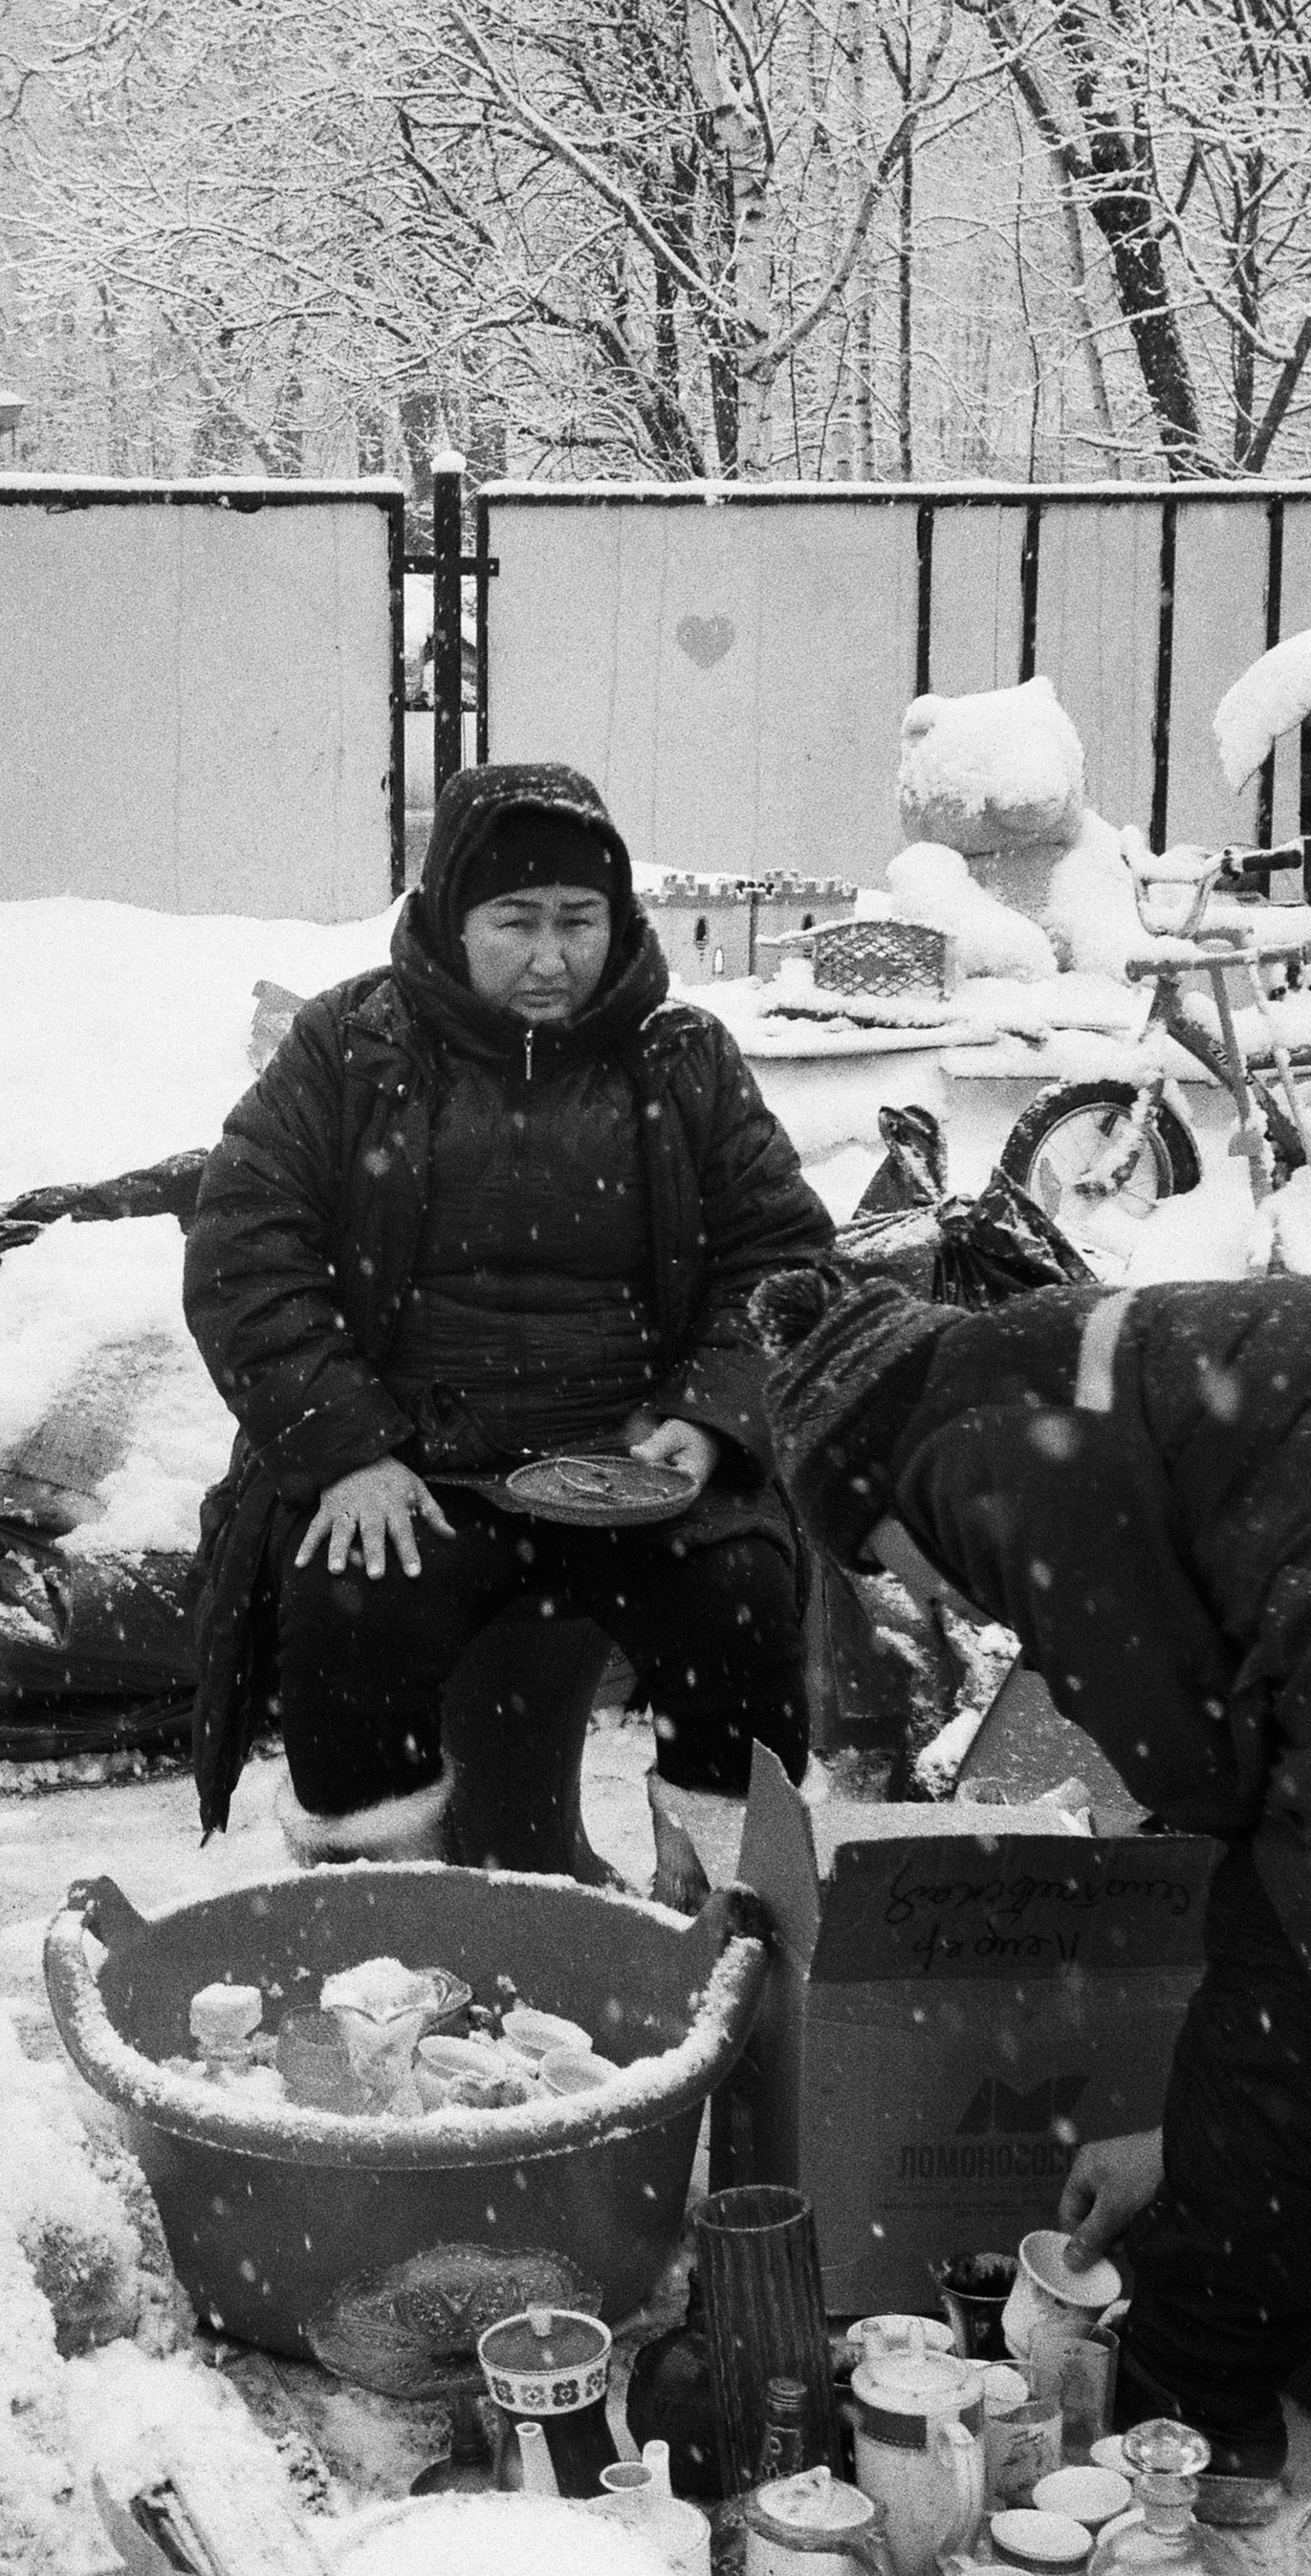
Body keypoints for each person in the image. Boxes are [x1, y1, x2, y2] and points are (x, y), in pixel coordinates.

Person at [755, 1263, 1311, 2478]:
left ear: (872, 1493)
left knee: (1294, 2032)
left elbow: (1190, 1755)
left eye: (881, 1563)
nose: (908, 1592)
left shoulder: (967, 1452)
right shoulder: (1056, 1353)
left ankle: (1183, 2438)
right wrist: (1179, 2137)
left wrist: (1223, 2106)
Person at [183, 761, 834, 1861]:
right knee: (349, 1607)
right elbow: (244, 1257)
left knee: (741, 1599)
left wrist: (715, 1415)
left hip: (634, 1463)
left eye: (578, 920)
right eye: (515, 920)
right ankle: (390, 1923)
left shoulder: (683, 1062)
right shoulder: (350, 1049)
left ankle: (723, 1908)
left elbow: (783, 1260)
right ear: (451, 916)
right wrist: (346, 1451)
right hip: (419, 1462)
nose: (550, 956)